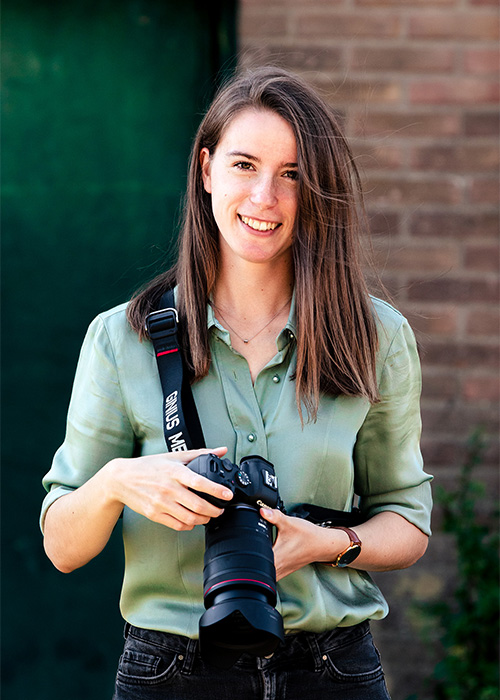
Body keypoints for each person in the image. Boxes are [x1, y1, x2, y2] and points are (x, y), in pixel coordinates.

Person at [41, 66, 432, 699]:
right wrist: (118, 483)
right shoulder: (122, 339)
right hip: (170, 672)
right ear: (205, 170)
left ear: (317, 191)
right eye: (244, 165)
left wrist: (324, 544)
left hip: (333, 671)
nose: (264, 199)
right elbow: (61, 543)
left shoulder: (377, 336)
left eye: (292, 175)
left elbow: (409, 524)